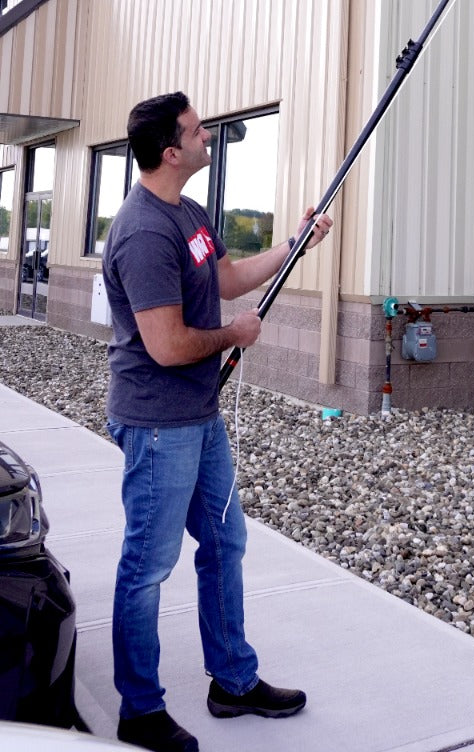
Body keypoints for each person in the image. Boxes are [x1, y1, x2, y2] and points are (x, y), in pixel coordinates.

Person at [102, 92, 331, 752]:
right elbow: (168, 346)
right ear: (172, 152)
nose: (209, 136)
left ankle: (232, 681)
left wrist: (296, 244)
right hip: (158, 424)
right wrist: (236, 335)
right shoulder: (144, 231)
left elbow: (228, 277)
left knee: (225, 546)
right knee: (147, 567)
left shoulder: (190, 214)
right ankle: (139, 710)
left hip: (200, 417)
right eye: (199, 130)